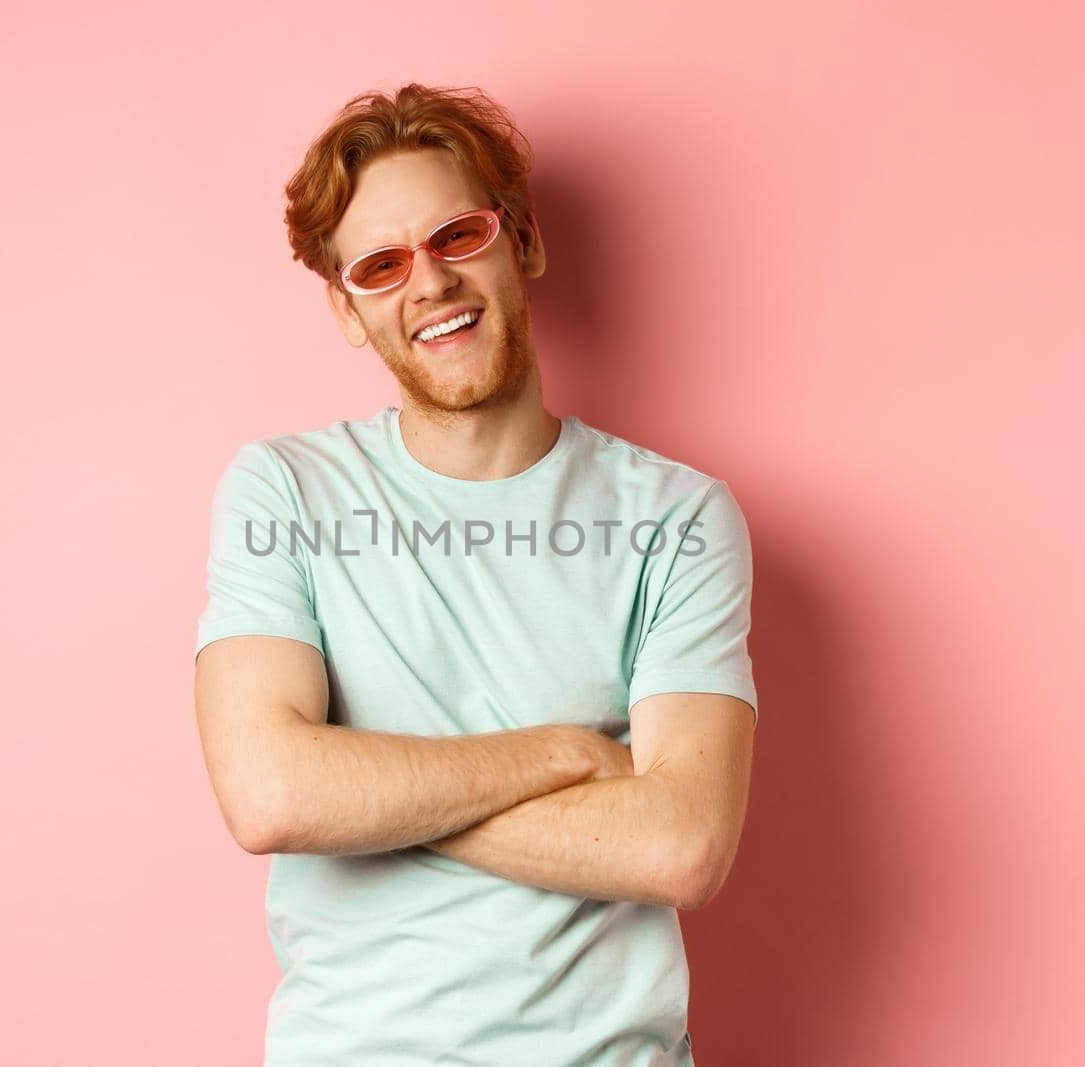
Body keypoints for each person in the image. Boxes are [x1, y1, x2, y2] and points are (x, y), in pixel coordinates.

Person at [192, 82, 758, 1067]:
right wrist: (561, 755)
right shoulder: (284, 490)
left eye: (457, 235)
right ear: (348, 310)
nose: (429, 283)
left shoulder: (679, 517)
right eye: (380, 264)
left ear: (523, 242)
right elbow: (270, 793)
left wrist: (365, 788)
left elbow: (679, 844)